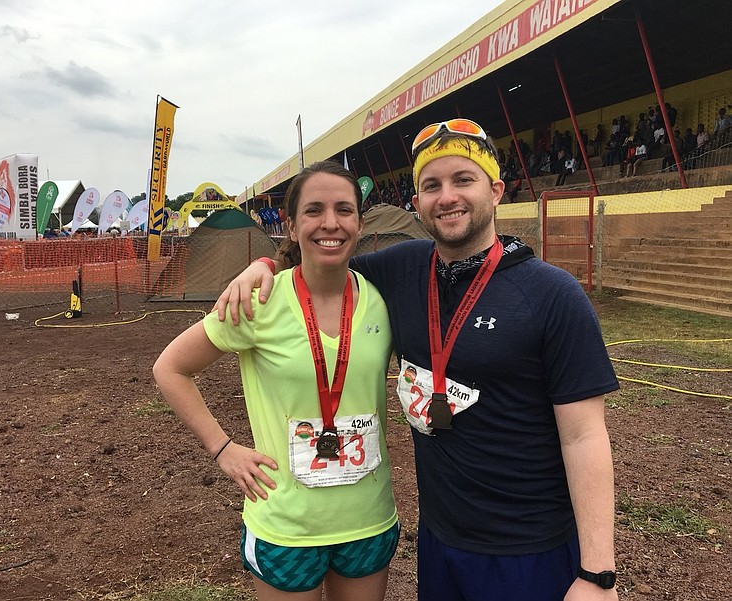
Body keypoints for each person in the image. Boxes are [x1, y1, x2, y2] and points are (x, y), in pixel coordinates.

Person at [216, 118, 620, 601]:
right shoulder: (402, 269)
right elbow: (322, 256)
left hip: (527, 547)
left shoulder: (553, 294)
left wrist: (598, 574)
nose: (446, 196)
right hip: (439, 541)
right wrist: (263, 265)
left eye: (463, 180)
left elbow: (585, 436)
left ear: (496, 191)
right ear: (418, 202)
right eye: (432, 185)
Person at [153, 160, 400, 601]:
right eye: (314, 210)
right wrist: (223, 449)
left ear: (360, 223)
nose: (330, 223)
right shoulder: (258, 301)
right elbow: (170, 368)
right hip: (287, 524)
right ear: (290, 225)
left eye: (344, 210)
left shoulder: (383, 299)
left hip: (368, 518)